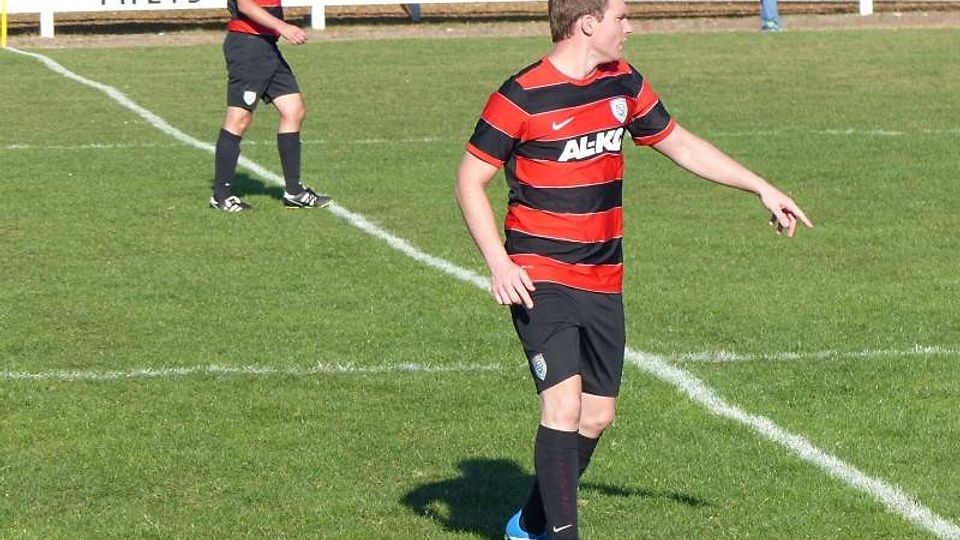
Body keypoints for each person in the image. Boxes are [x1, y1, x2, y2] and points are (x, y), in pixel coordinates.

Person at [453, 0, 812, 537]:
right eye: (621, 17)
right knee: (563, 406)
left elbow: (679, 142)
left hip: (604, 275)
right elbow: (469, 180)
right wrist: (499, 264)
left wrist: (761, 187)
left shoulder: (622, 81)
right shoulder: (520, 95)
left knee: (596, 416)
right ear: (587, 23)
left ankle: (529, 523)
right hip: (539, 271)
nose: (630, 27)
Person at [210, 0, 331, 212]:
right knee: (239, 118)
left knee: (294, 110)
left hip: (267, 47)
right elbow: (245, 5)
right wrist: (283, 27)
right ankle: (221, 196)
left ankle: (294, 192)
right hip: (247, 46)